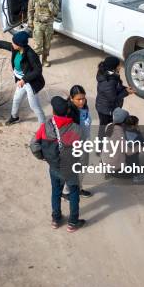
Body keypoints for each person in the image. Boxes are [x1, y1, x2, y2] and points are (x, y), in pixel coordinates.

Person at [30, 96, 86, 233]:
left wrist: (43, 157)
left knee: (56, 191)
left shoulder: (45, 126)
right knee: (73, 193)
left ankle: (56, 219)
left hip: (54, 167)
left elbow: (33, 145)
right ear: (67, 111)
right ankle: (73, 222)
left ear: (53, 112)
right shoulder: (76, 129)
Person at [0, 31, 46, 125]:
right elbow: (5, 44)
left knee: (34, 106)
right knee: (16, 99)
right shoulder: (15, 48)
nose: (12, 44)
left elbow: (38, 70)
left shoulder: (31, 54)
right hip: (21, 81)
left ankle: (43, 125)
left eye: (14, 42)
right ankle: (14, 117)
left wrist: (24, 80)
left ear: (20, 45)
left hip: (30, 83)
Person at [63, 85, 92, 200]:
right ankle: (65, 191)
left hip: (85, 142)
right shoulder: (69, 112)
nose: (81, 101)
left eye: (83, 98)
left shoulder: (85, 107)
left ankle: (78, 188)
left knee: (84, 166)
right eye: (78, 99)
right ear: (71, 98)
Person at [96, 56, 134, 139]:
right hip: (106, 110)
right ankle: (100, 148)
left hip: (108, 107)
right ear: (114, 67)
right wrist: (126, 92)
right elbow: (113, 98)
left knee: (110, 127)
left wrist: (125, 89)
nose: (120, 67)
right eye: (119, 66)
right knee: (104, 129)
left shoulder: (110, 74)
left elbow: (116, 87)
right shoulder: (108, 81)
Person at [28, 0, 59, 67]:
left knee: (47, 45)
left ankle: (44, 60)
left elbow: (56, 13)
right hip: (38, 24)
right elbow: (30, 11)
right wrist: (30, 21)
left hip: (48, 25)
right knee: (37, 45)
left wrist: (49, 1)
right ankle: (36, 62)